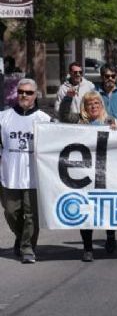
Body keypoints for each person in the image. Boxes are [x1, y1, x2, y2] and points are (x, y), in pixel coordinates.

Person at [0, 79, 51, 264]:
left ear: (35, 95)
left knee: (32, 215)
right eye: (21, 91)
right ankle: (21, 237)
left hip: (34, 177)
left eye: (28, 93)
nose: (24, 95)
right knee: (11, 212)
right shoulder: (3, 117)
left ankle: (28, 248)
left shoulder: (44, 120)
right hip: (9, 175)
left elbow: (64, 135)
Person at [76, 92, 117, 261]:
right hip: (85, 174)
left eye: (96, 103)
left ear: (101, 105)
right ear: (84, 107)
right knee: (85, 211)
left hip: (106, 173)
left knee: (107, 207)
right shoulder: (79, 124)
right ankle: (88, 248)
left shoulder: (111, 121)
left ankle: (110, 236)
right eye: (89, 104)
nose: (93, 106)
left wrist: (116, 132)